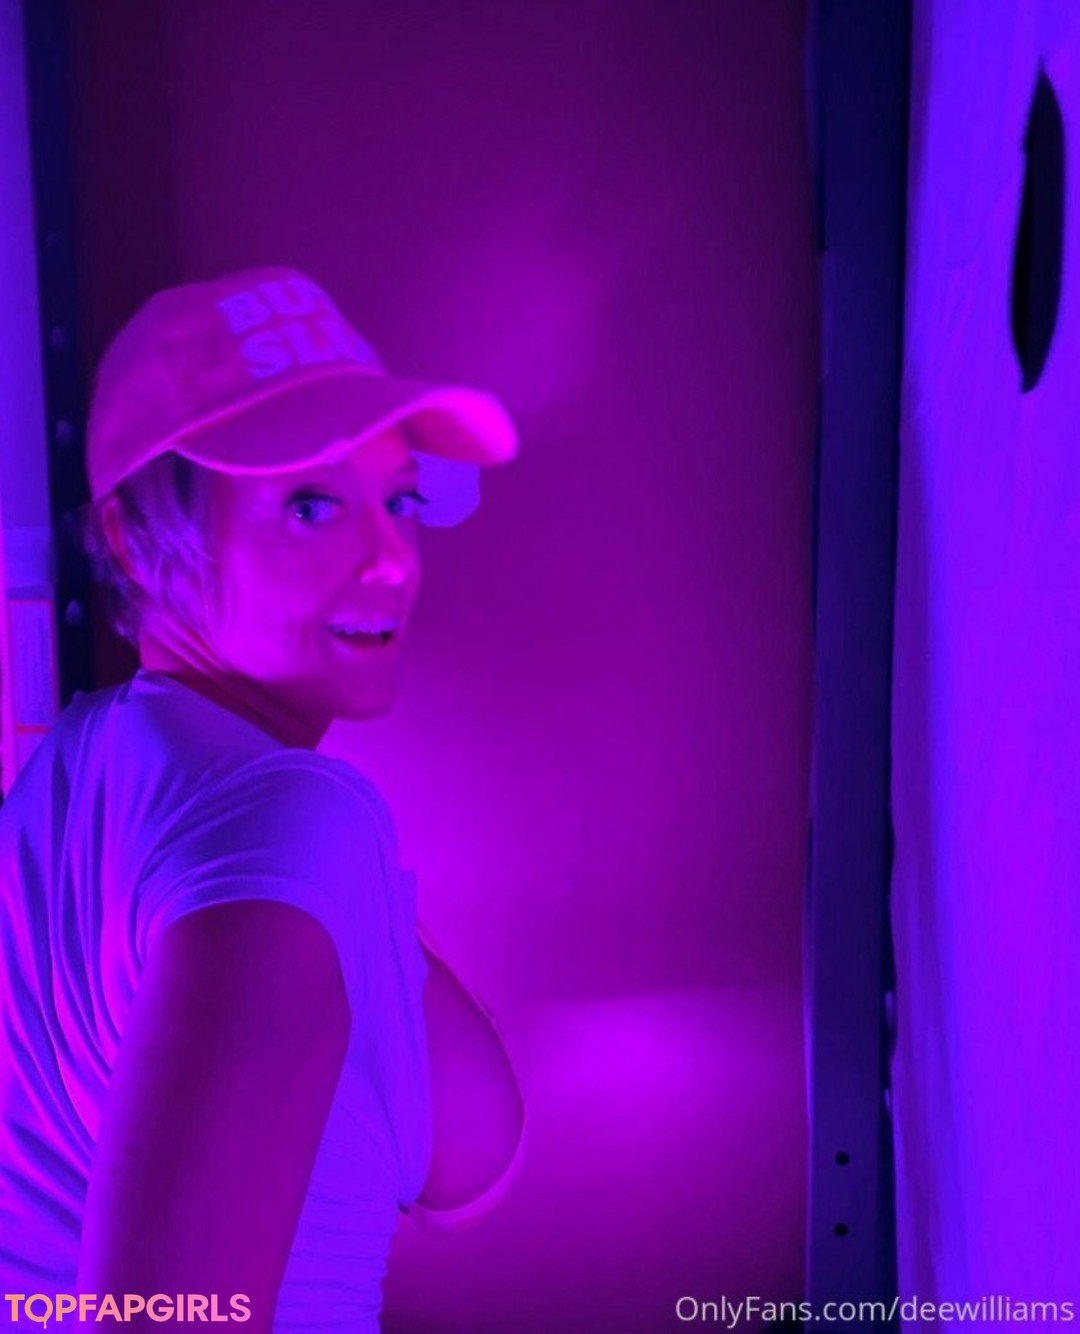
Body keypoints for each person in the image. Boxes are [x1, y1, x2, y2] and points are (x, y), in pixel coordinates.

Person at [0, 267, 527, 1331]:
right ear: (131, 536)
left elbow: (459, 1167)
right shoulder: (287, 822)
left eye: (401, 499)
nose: (391, 560)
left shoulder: (78, 770)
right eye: (310, 505)